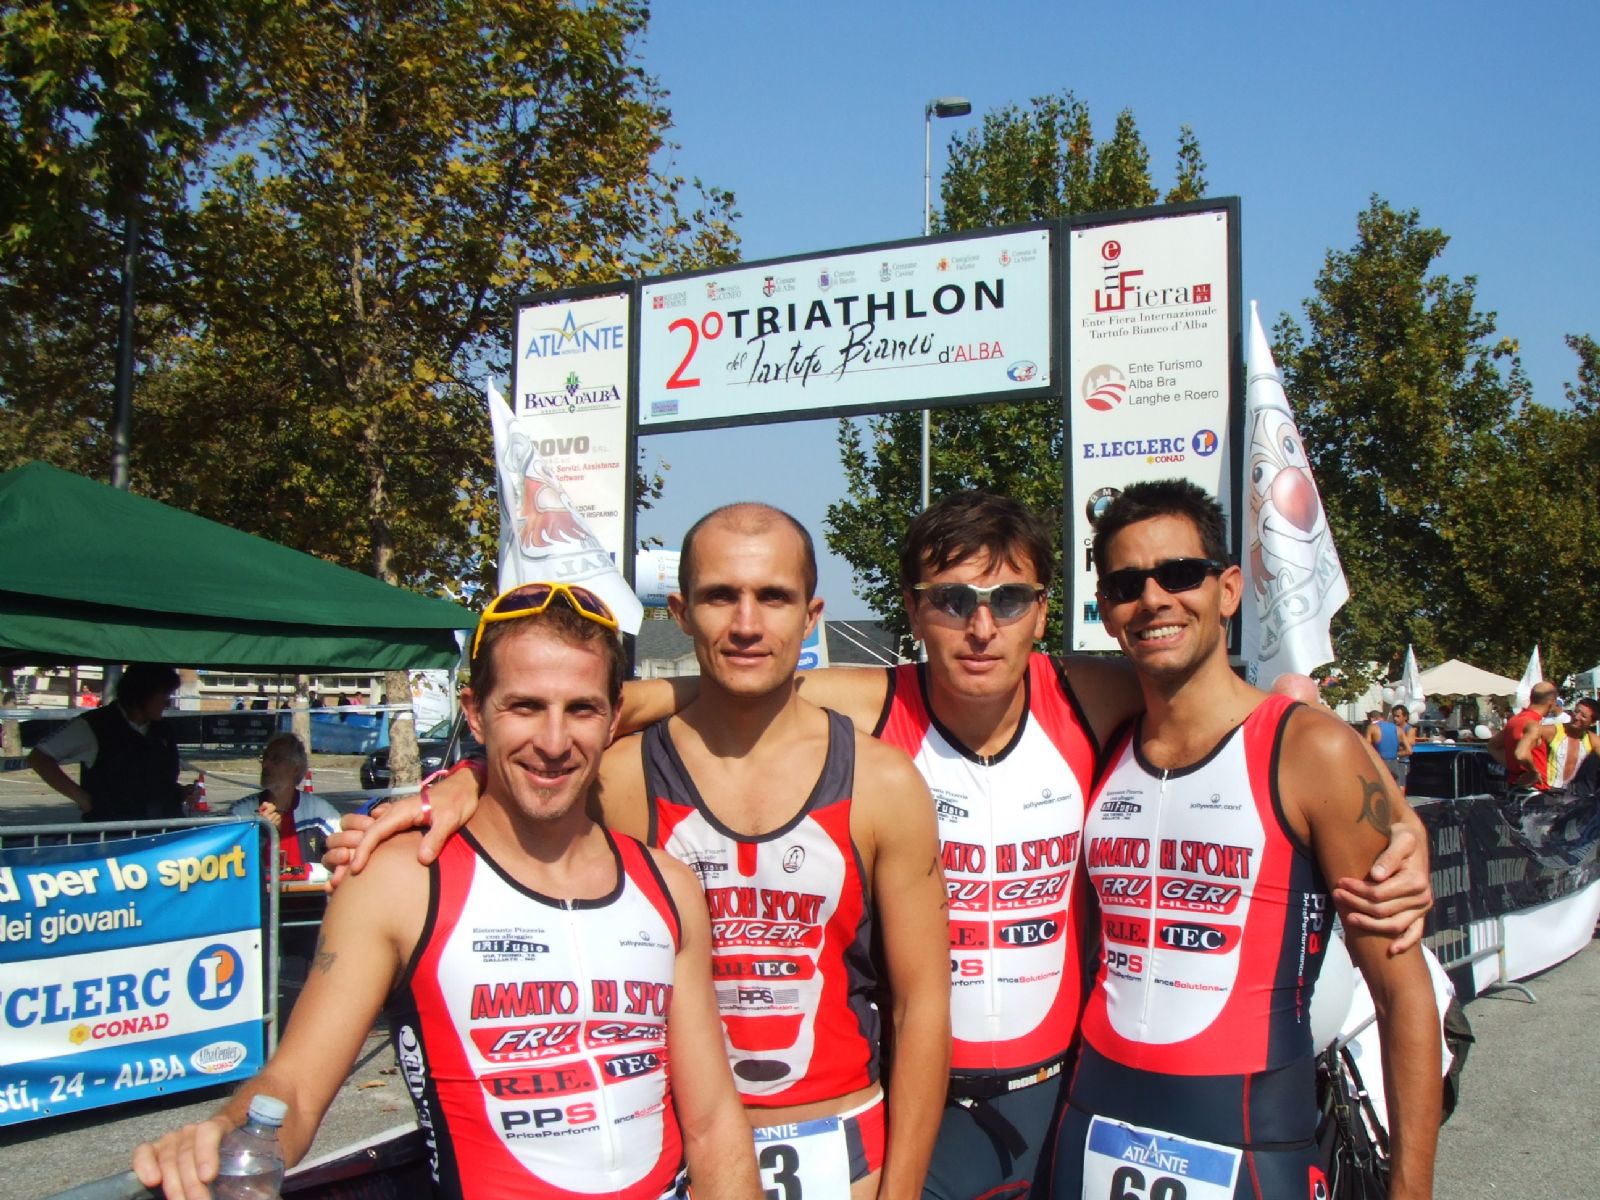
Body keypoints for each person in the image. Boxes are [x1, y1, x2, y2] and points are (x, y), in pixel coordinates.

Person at [336, 493, 1432, 1200]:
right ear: (912, 610)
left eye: (1008, 599)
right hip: (924, 1106)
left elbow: (1266, 725)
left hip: (1068, 1096)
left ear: (1046, 610)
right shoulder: (872, 703)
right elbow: (706, 684)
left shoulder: (1091, 693)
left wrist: (1391, 807)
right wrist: (462, 783)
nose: (980, 624)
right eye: (951, 600)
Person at [133, 586, 759, 1200]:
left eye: (581, 709)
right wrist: (224, 1135)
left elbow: (711, 1123)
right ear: (474, 712)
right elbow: (293, 1086)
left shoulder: (668, 885)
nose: (553, 742)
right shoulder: (399, 880)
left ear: (614, 717)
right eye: (524, 707)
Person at [1045, 479, 1440, 1200]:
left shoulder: (1311, 749)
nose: (1154, 599)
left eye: (1180, 574)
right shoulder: (1100, 736)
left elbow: (1402, 994)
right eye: (1128, 585)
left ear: (1228, 589)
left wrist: (1411, 1190)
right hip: (1093, 1114)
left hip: (1248, 1132)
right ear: (1107, 609)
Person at [26, 662, 197, 822]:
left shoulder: (163, 729)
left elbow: (155, 779)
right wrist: (82, 798)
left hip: (164, 828)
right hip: (115, 831)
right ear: (143, 693)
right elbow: (39, 758)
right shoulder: (94, 725)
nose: (167, 702)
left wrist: (178, 792)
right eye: (164, 694)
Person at [230, 732, 342, 870]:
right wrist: (261, 833)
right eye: (264, 758)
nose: (265, 764)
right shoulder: (241, 811)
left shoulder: (318, 813)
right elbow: (228, 861)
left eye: (275, 759)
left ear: (295, 769)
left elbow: (344, 848)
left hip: (308, 885)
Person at [1391, 703, 1418, 786]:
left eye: (1398, 716)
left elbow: (1409, 746)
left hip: (1402, 762)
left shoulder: (1410, 730)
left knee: (1400, 786)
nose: (1395, 718)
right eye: (1394, 716)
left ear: (1405, 717)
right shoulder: (1392, 728)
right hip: (1391, 761)